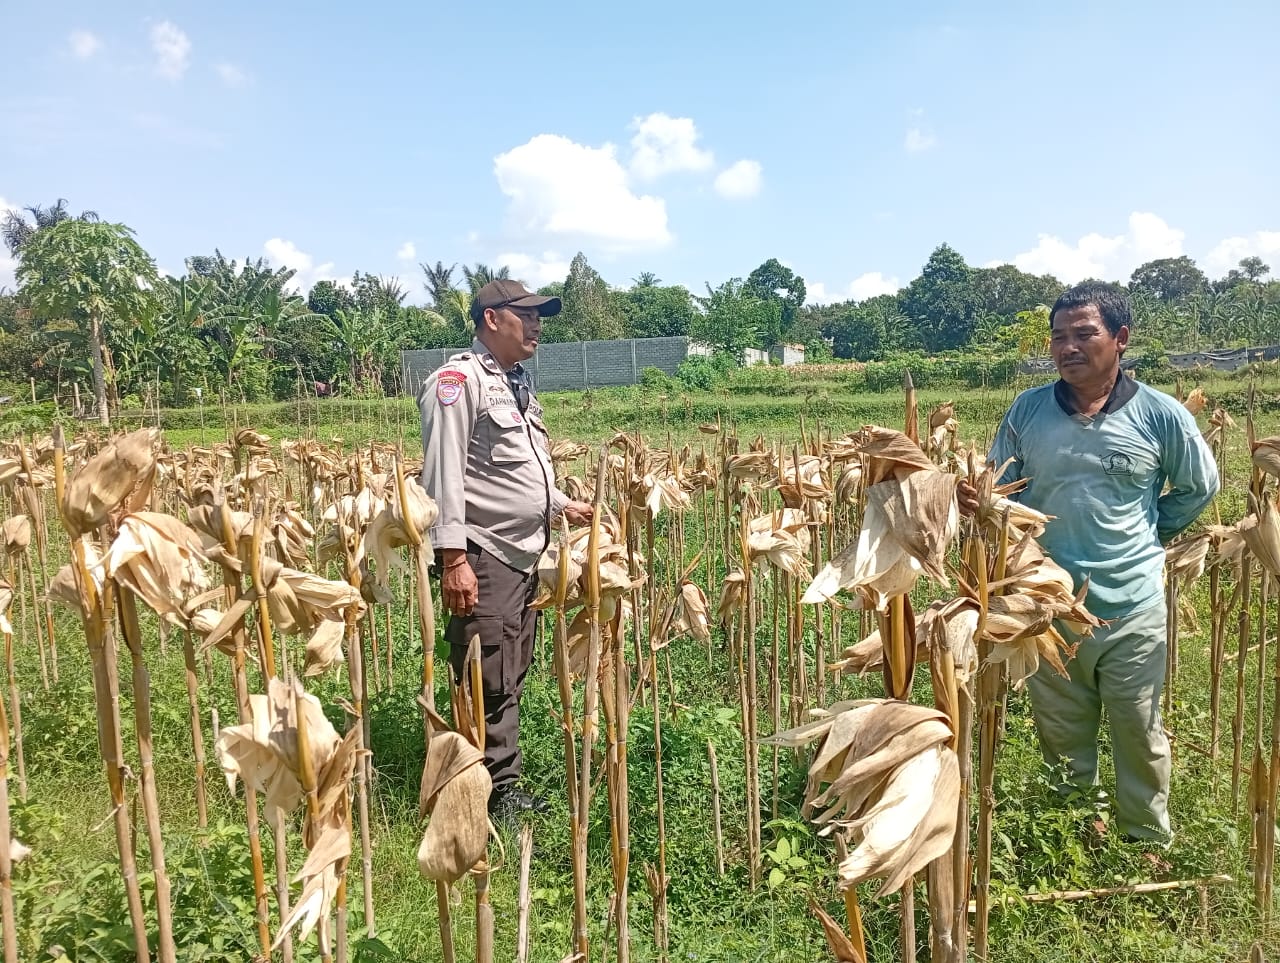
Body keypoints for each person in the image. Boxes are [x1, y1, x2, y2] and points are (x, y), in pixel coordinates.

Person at [959, 281, 1218, 845]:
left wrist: (1151, 533)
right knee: (1061, 731)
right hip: (1047, 609)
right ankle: (1077, 832)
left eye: (1083, 334)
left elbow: (1199, 486)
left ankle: (1144, 838)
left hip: (1132, 607)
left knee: (1139, 729)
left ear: (1120, 339)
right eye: (1058, 337)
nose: (1067, 347)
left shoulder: (1160, 415)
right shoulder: (1028, 410)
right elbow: (998, 489)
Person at [417, 279, 592, 821]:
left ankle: (500, 783)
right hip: (483, 554)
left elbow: (514, 467)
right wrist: (453, 559)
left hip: (522, 555)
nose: (537, 325)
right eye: (527, 315)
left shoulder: (516, 383)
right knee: (485, 675)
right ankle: (484, 795)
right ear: (492, 319)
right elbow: (443, 475)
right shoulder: (457, 382)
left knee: (510, 670)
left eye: (540, 317)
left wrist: (560, 505)